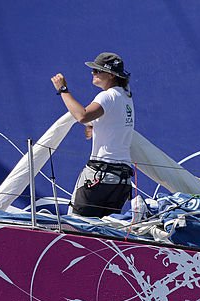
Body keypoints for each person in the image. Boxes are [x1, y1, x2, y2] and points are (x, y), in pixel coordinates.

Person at [51, 52, 136, 217]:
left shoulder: (107, 96)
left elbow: (82, 115)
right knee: (105, 236)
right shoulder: (126, 97)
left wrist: (63, 90)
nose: (93, 73)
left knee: (75, 228)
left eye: (97, 70)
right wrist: (93, 125)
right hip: (121, 181)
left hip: (99, 176)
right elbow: (110, 121)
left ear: (111, 75)